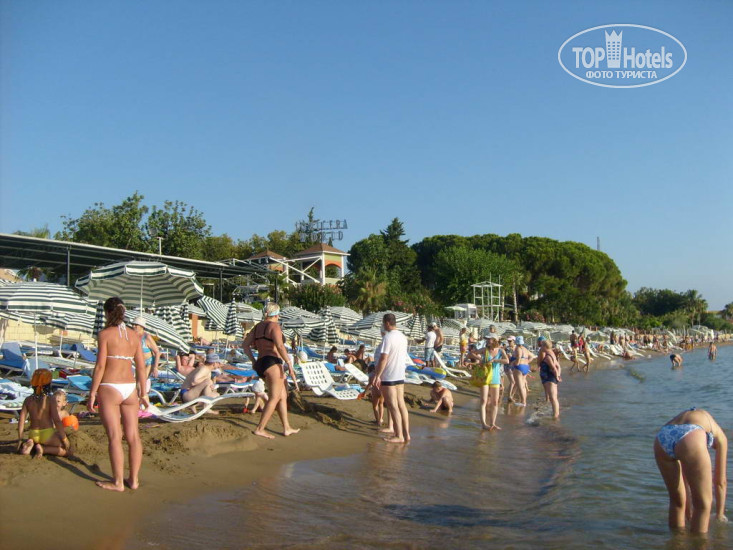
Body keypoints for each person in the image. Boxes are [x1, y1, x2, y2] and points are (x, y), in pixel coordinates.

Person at [89, 297, 148, 491]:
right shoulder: (134, 336)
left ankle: (118, 482)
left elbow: (100, 367)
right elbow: (141, 367)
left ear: (107, 313)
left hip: (110, 386)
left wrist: (92, 393)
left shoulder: (104, 334)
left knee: (115, 436)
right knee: (133, 437)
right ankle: (134, 480)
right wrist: (144, 392)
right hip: (130, 388)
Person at [654, 408, 728, 533]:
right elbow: (720, 482)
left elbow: (685, 476)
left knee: (677, 501)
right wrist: (720, 515)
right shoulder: (722, 438)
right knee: (703, 505)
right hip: (691, 435)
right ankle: (698, 542)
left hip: (663, 436)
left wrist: (688, 512)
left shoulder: (700, 417)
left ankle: (677, 539)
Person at [242, 302, 299, 439]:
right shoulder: (274, 326)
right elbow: (279, 346)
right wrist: (289, 363)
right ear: (277, 314)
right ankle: (260, 429)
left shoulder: (257, 327)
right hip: (272, 362)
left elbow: (245, 345)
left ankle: (286, 428)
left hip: (261, 362)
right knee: (274, 398)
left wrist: (253, 361)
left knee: (282, 396)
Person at [365, 313, 410, 443]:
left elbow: (384, 358)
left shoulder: (388, 337)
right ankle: (406, 434)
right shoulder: (403, 337)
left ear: (387, 323)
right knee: (401, 405)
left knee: (392, 405)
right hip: (400, 374)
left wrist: (377, 375)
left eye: (383, 323)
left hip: (389, 375)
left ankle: (399, 435)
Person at [18, 369, 71, 458]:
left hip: (33, 433)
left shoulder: (28, 400)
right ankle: (43, 449)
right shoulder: (50, 399)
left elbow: (21, 421)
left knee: (34, 439)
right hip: (47, 434)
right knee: (66, 451)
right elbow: (57, 421)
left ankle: (30, 444)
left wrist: (20, 439)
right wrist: (64, 439)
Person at [478, 336, 509, 430]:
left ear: (495, 341)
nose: (487, 341)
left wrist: (495, 360)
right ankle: (484, 424)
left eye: (489, 339)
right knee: (484, 401)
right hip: (485, 378)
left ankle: (492, 423)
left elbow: (507, 361)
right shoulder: (485, 350)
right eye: (487, 340)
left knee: (495, 402)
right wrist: (480, 360)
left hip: (495, 378)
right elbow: (472, 353)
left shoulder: (500, 351)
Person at [131, 316, 161, 382]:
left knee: (141, 382)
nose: (133, 326)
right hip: (138, 363)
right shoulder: (132, 336)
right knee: (136, 383)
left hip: (148, 363)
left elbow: (157, 352)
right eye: (132, 324)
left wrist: (155, 367)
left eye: (136, 325)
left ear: (141, 326)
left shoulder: (147, 337)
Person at [537, 337, 561, 419]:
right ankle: (555, 414)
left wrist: (557, 376)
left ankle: (555, 416)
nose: (541, 348)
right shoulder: (552, 353)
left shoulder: (548, 357)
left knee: (553, 398)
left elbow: (554, 368)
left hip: (550, 378)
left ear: (544, 347)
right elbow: (558, 366)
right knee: (553, 398)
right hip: (551, 377)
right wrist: (558, 375)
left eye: (542, 346)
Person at [510, 336, 535, 407]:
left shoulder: (517, 348)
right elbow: (532, 356)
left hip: (519, 367)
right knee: (523, 385)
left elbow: (518, 358)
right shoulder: (525, 349)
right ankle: (524, 401)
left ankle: (523, 402)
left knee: (520, 385)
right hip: (526, 367)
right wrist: (527, 361)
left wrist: (514, 363)